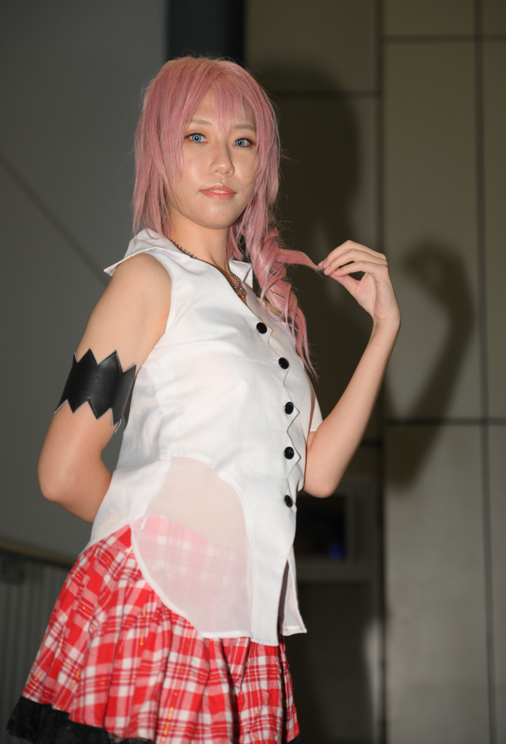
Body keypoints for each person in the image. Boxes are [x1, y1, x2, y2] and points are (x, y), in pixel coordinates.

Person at [7, 56, 400, 744]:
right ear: (160, 150)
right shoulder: (147, 278)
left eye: (242, 141)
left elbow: (318, 472)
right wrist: (177, 549)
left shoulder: (267, 311)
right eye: (197, 136)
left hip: (244, 622)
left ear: (262, 162)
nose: (222, 162)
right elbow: (62, 472)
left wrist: (383, 331)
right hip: (160, 610)